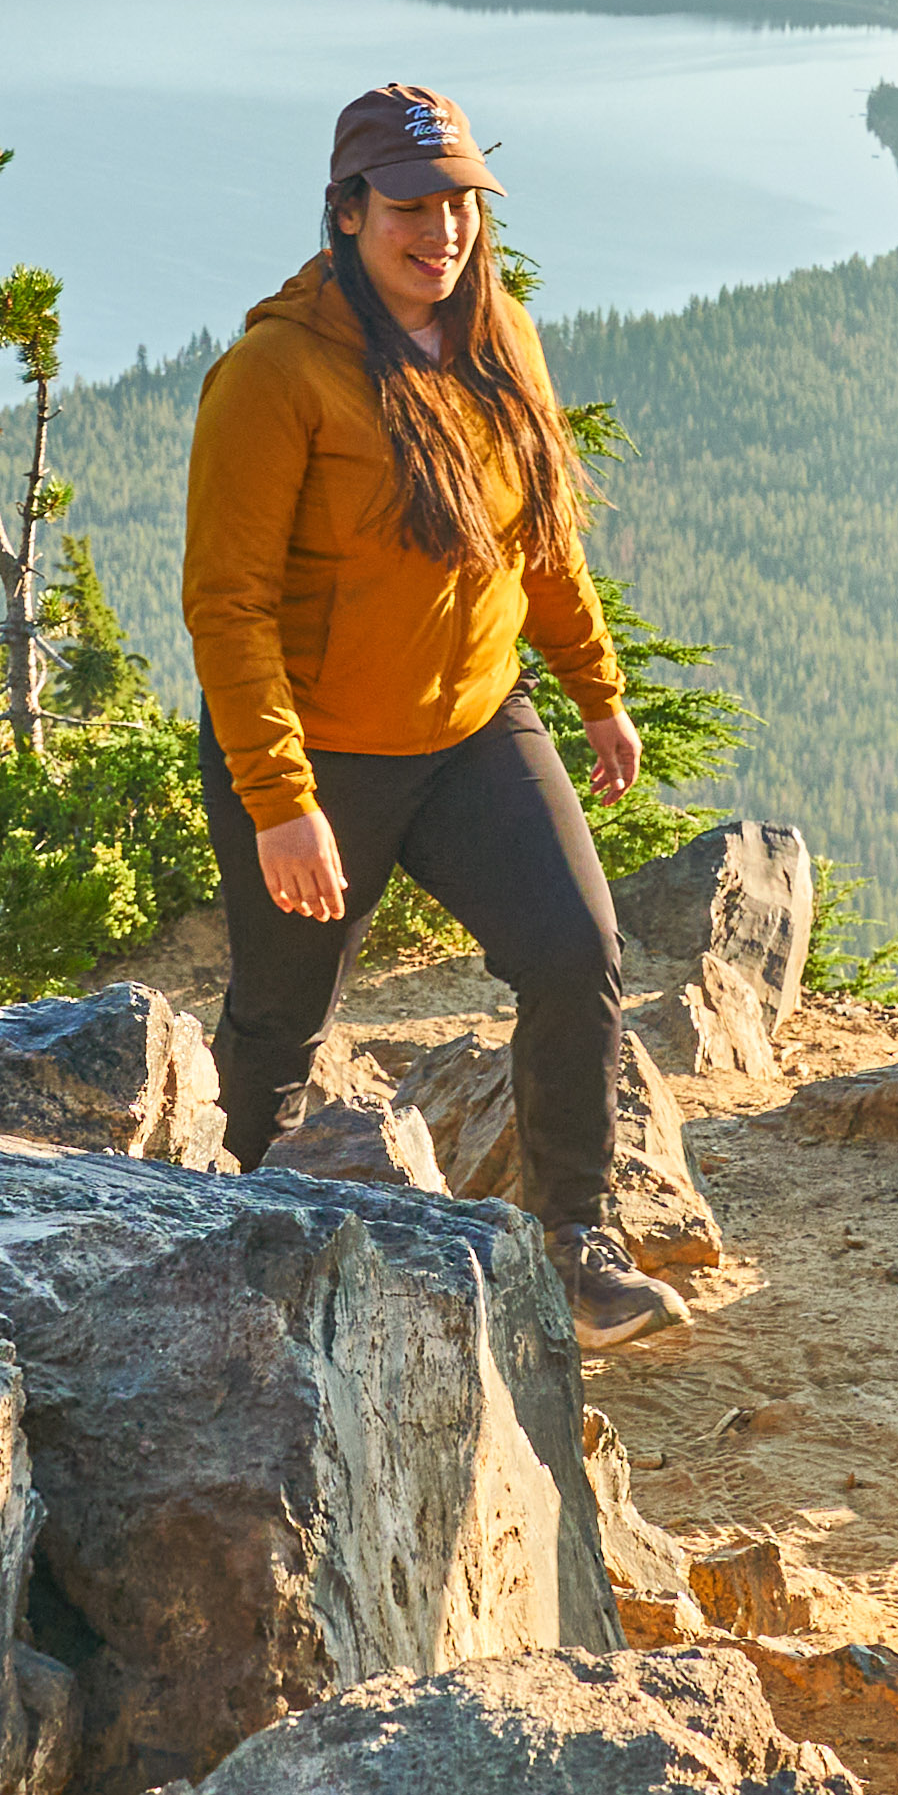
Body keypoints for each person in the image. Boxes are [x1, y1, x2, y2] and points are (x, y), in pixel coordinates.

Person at [185, 82, 698, 1361]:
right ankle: (206, 1257)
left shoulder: (496, 334)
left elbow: (541, 536)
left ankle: (574, 1244)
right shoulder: (275, 372)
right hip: (320, 754)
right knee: (279, 1025)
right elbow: (228, 604)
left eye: (460, 201)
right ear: (348, 211)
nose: (443, 229)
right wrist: (281, 802)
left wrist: (595, 688)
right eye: (411, 205)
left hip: (474, 724)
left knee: (576, 954)